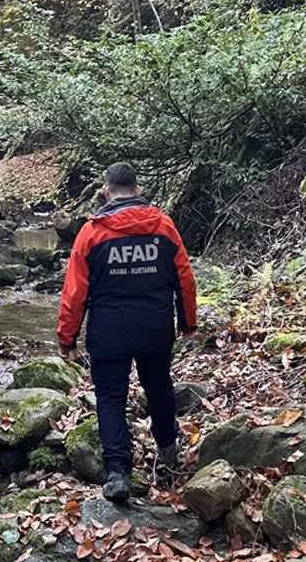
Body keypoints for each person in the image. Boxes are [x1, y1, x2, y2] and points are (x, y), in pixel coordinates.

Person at [56, 162, 199, 501]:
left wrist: (67, 338)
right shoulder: (163, 226)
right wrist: (187, 324)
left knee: (110, 399)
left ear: (106, 192)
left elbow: (74, 293)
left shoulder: (92, 233)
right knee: (159, 385)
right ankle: (168, 450)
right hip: (155, 328)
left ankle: (118, 472)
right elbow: (184, 279)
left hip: (109, 332)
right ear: (137, 189)